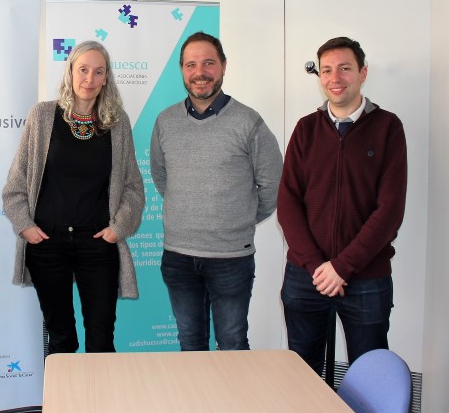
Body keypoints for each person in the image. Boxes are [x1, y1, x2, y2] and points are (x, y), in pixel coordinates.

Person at [2, 40, 145, 354]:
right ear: (70, 72)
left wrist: (117, 229)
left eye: (98, 72)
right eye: (83, 70)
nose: (89, 79)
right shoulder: (42, 116)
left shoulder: (117, 122)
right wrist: (25, 225)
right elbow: (15, 185)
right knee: (61, 339)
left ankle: (100, 390)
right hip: (47, 244)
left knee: (101, 340)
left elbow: (133, 188)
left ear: (106, 78)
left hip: (97, 244)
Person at [278, 37, 407, 374]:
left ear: (362, 73)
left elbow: (390, 210)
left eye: (345, 68)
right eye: (327, 70)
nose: (335, 78)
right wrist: (317, 266)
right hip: (307, 277)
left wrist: (343, 267)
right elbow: (288, 203)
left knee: (369, 376)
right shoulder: (306, 129)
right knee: (302, 376)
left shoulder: (388, 128)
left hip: (366, 277)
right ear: (320, 77)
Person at [150, 31, 282, 351]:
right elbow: (161, 176)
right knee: (190, 341)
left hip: (231, 257)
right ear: (182, 70)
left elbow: (273, 184)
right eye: (191, 65)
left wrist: (239, 217)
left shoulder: (249, 122)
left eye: (208, 63)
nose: (200, 72)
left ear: (223, 66)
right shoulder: (165, 122)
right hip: (178, 256)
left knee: (232, 343)